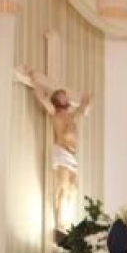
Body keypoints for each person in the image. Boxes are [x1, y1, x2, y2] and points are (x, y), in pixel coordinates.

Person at [28, 75, 90, 230]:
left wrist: (85, 101)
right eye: (61, 95)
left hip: (71, 155)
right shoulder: (55, 113)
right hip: (61, 151)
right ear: (57, 100)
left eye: (65, 95)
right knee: (64, 186)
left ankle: (68, 218)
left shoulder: (71, 115)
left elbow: (82, 110)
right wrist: (33, 80)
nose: (65, 96)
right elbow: (42, 98)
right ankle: (61, 221)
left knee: (73, 188)